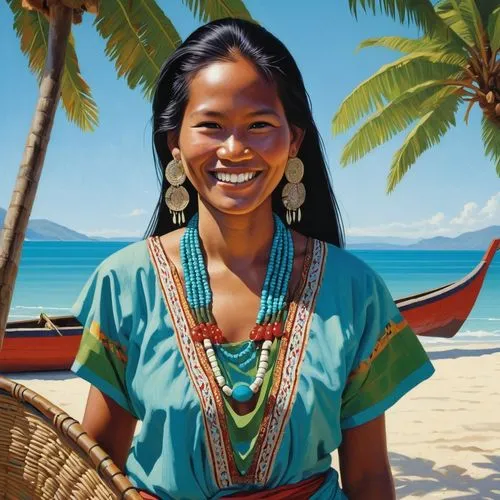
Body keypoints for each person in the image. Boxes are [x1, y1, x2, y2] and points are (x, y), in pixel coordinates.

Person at [71, 18, 434, 499]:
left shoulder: (353, 291)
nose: (235, 149)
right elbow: (96, 465)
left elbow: (368, 478)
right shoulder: (125, 284)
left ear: (294, 140)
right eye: (211, 126)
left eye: (260, 125)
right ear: (173, 145)